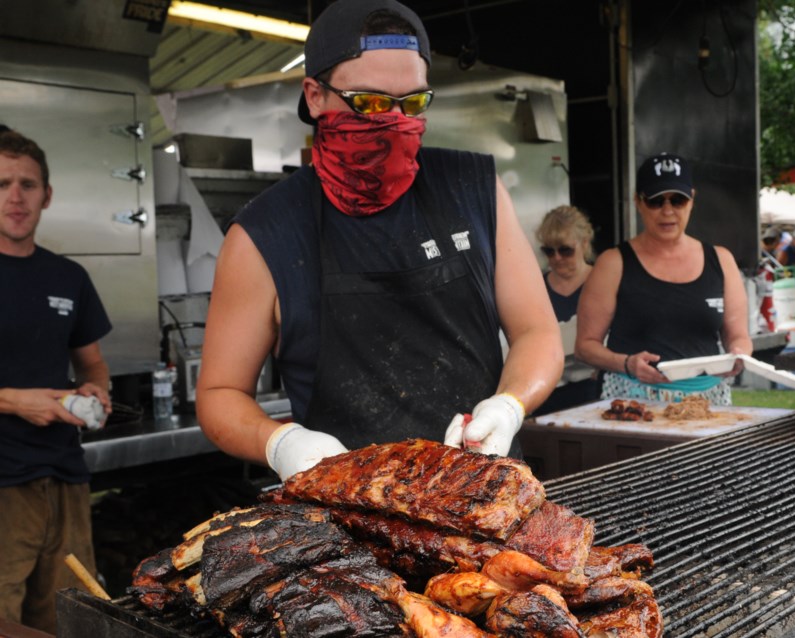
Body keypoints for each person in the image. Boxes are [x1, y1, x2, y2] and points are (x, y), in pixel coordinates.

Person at [196, 0, 563, 481]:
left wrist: (509, 405)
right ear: (315, 96)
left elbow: (537, 332)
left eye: (411, 103)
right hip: (348, 515)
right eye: (369, 103)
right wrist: (282, 443)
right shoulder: (264, 234)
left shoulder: (474, 189)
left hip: (483, 493)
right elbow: (220, 393)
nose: (393, 119)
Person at [0, 129, 113, 633]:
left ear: (47, 194)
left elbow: (92, 364)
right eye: (2, 183)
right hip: (4, 487)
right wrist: (13, 401)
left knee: (73, 617)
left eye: (27, 183)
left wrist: (96, 391)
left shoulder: (68, 277)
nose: (15, 196)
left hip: (66, 479)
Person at [575, 152, 752, 405]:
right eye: (656, 201)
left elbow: (738, 336)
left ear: (692, 199)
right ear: (638, 202)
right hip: (632, 399)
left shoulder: (721, 260)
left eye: (677, 200)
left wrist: (738, 355)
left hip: (707, 400)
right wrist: (625, 363)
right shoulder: (613, 263)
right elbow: (585, 346)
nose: (667, 211)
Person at [532, 205, 600, 415]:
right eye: (549, 251)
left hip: (594, 391)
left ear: (585, 244)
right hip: (546, 394)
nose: (557, 258)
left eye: (565, 250)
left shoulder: (604, 281)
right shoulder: (535, 287)